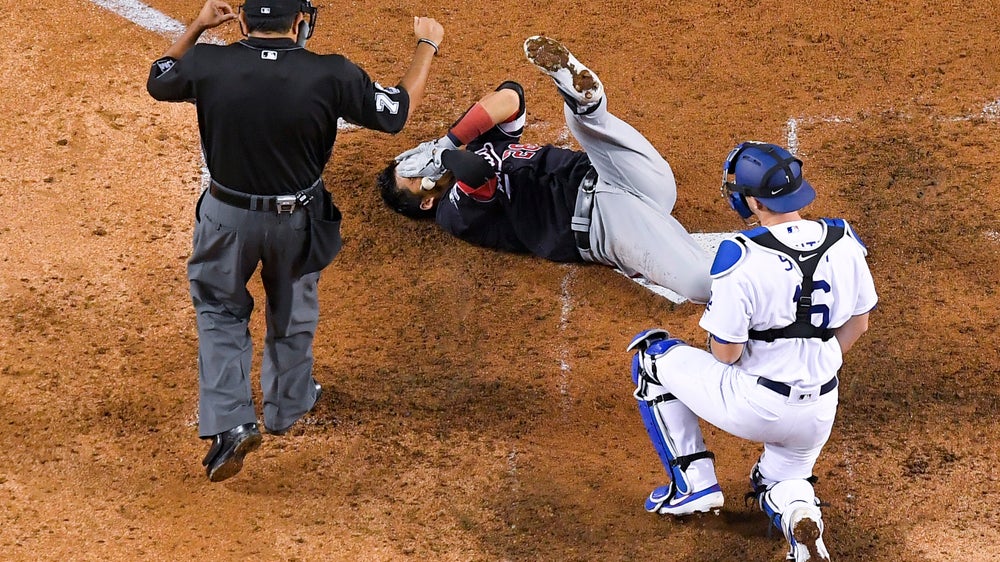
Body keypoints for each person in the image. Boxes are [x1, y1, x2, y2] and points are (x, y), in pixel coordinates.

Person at [146, 0, 444, 482]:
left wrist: (199, 25)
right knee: (293, 307)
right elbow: (396, 112)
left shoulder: (209, 62)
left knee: (219, 311)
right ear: (301, 22)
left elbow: (160, 78)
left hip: (226, 218)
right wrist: (426, 45)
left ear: (243, 21)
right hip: (297, 220)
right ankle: (288, 404)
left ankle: (232, 422)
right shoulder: (332, 73)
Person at [626, 141, 878, 561]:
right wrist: (821, 359)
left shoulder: (742, 255)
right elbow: (860, 323)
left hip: (755, 404)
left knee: (653, 357)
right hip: (819, 408)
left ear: (753, 201)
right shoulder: (845, 241)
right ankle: (800, 518)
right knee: (777, 481)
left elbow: (726, 354)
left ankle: (693, 484)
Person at [376, 36, 712, 304]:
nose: (419, 163)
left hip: (616, 174)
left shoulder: (475, 144)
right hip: (603, 221)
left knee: (585, 122)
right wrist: (445, 156)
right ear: (425, 201)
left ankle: (587, 101)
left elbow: (510, 95)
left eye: (412, 159)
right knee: (702, 284)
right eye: (412, 175)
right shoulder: (452, 214)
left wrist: (448, 141)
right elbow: (477, 172)